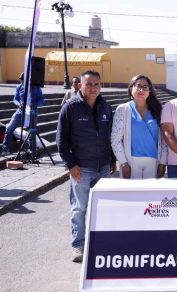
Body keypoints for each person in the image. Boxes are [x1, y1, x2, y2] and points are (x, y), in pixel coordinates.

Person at [56, 70, 116, 262]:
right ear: (80, 85)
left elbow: (110, 136)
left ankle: (100, 241)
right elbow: (61, 141)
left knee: (103, 207)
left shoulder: (106, 107)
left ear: (101, 86)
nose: (93, 88)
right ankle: (79, 245)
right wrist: (71, 165)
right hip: (81, 168)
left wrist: (112, 159)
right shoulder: (70, 108)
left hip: (103, 167)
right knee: (79, 208)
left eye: (96, 84)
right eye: (88, 84)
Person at [111, 75, 167, 179]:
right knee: (131, 194)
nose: (141, 89)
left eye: (145, 87)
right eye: (138, 86)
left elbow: (164, 139)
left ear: (149, 90)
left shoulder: (158, 110)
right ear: (131, 88)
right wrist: (123, 163)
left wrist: (163, 163)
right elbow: (115, 139)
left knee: (151, 194)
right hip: (131, 162)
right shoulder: (123, 109)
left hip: (154, 161)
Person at [1, 72, 44, 155]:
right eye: (20, 80)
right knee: (9, 128)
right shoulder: (19, 87)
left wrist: (34, 104)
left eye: (22, 80)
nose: (21, 81)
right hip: (20, 111)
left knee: (31, 131)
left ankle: (32, 150)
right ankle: (5, 149)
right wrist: (18, 104)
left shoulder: (36, 88)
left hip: (32, 112)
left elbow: (42, 100)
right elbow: (15, 99)